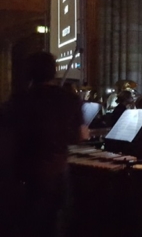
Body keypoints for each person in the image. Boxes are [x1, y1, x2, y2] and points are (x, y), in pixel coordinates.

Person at [4, 52, 87, 236]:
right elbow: (80, 136)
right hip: (56, 172)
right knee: (57, 221)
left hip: (22, 174)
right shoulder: (69, 99)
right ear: (54, 71)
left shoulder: (17, 100)